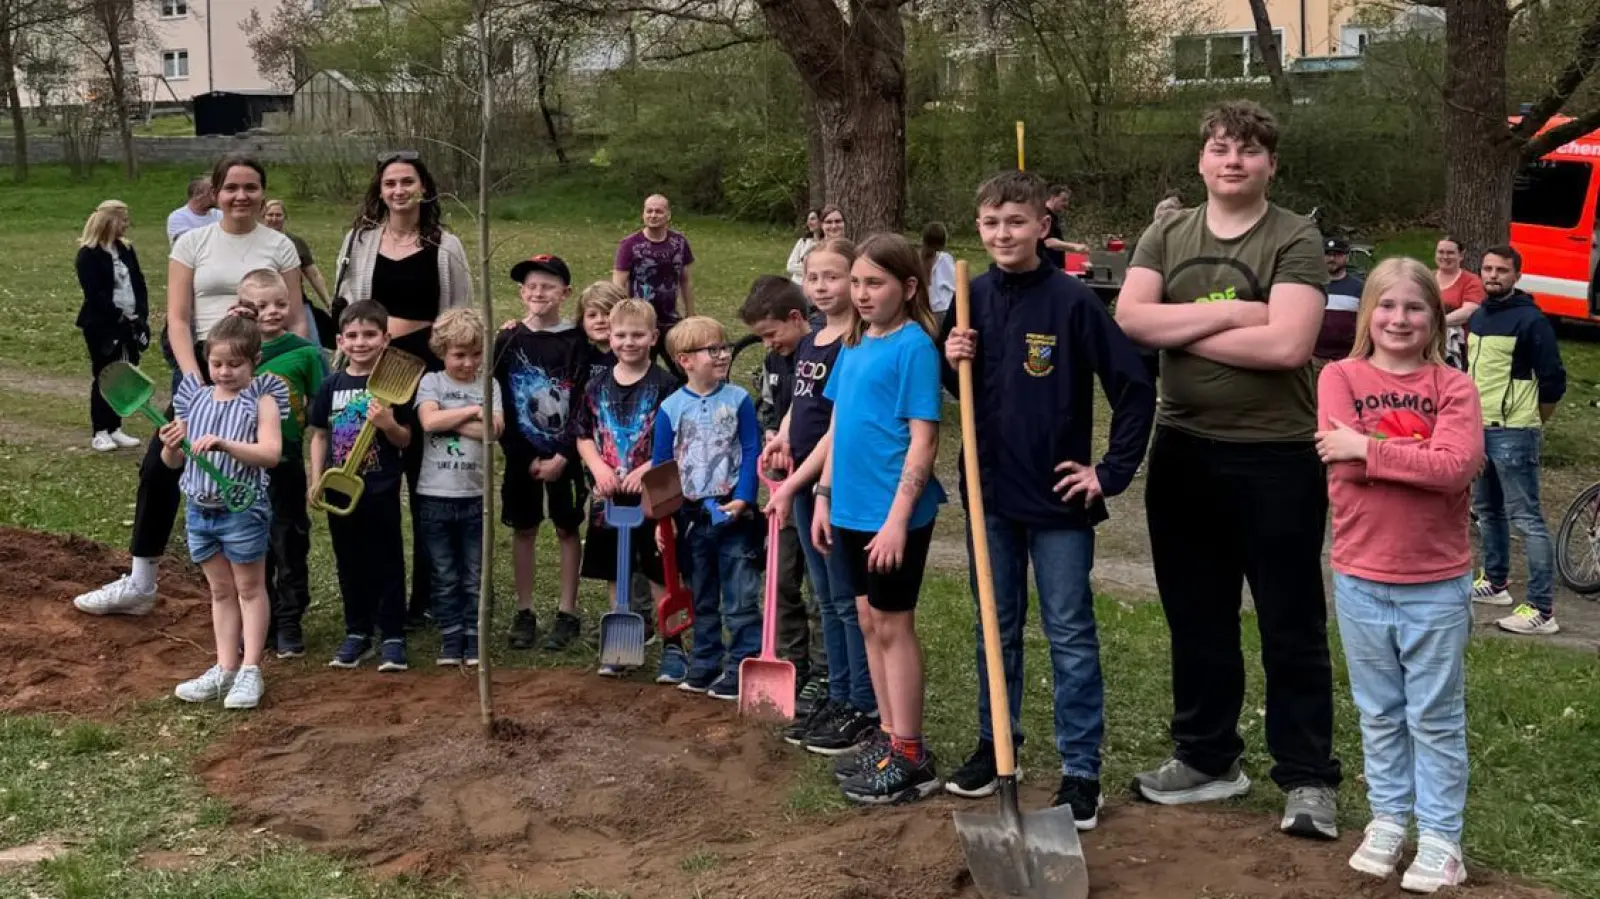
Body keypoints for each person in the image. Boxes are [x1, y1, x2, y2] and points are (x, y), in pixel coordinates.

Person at [1114, 101, 1343, 838]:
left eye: (1248, 150)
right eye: (1220, 148)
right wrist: (1241, 313)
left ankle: (1307, 777)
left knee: (1290, 620)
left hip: (1276, 455)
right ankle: (1209, 758)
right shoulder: (1167, 230)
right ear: (1202, 160)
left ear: (1270, 163)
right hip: (1182, 450)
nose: (1233, 160)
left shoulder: (1294, 237)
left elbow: (1288, 348)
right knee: (1197, 616)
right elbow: (1130, 321)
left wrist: (1182, 326)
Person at [941, 171, 1156, 830]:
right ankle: (995, 745)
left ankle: (1080, 771)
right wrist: (951, 358)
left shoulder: (1072, 302)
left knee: (1068, 631)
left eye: (1015, 221)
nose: (1002, 234)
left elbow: (1134, 387)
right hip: (989, 492)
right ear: (979, 229)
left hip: (1059, 498)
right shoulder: (969, 298)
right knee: (994, 627)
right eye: (990, 223)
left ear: (1042, 225)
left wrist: (1108, 472)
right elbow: (956, 391)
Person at [73, 156, 304, 618]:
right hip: (201, 367)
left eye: (251, 187)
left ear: (263, 192)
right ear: (215, 193)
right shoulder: (193, 242)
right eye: (231, 187)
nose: (241, 196)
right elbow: (177, 318)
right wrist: (191, 375)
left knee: (266, 475)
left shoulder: (280, 246)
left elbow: (294, 317)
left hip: (259, 368)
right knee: (163, 464)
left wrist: (271, 372)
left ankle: (275, 605)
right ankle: (140, 582)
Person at [1316, 257, 1483, 894]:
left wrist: (1370, 447)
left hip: (1435, 581)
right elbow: (1341, 464)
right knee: (1379, 711)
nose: (1399, 318)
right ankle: (1389, 818)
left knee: (1434, 716)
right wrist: (1409, 455)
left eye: (1415, 308)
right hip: (1360, 575)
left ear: (1434, 318)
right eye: (1387, 306)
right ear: (1367, 315)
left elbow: (1457, 468)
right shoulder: (1340, 375)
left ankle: (1442, 838)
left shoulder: (1453, 387)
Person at [813, 233, 946, 805]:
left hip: (894, 516)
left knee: (893, 627)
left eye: (876, 284)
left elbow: (924, 440)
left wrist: (897, 519)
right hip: (848, 507)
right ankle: (890, 739)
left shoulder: (915, 347)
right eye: (858, 283)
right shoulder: (856, 340)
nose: (862, 294)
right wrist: (822, 494)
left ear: (908, 287)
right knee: (869, 623)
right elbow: (840, 423)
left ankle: (912, 755)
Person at [333, 152, 473, 627]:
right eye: (390, 183)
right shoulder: (360, 241)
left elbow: (459, 315)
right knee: (376, 483)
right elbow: (347, 307)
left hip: (424, 372)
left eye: (407, 182)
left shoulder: (446, 245)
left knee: (424, 484)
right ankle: (378, 594)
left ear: (423, 188)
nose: (398, 190)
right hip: (372, 370)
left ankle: (428, 597)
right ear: (380, 190)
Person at [765, 238, 877, 755]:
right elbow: (800, 404)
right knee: (827, 599)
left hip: (833, 484)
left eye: (834, 277)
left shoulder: (853, 343)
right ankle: (838, 693)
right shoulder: (812, 339)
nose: (823, 287)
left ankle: (863, 701)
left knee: (847, 601)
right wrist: (784, 434)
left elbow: (837, 425)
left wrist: (801, 483)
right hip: (806, 483)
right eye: (814, 279)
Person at [165, 312, 288, 710]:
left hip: (243, 509)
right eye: (216, 364)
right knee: (220, 591)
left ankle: (251, 669)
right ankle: (225, 668)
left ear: (254, 361)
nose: (224, 372)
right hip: (200, 511)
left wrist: (225, 445)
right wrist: (170, 444)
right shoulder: (195, 399)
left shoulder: (262, 401)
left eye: (234, 364)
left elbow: (270, 455)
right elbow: (173, 463)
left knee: (249, 590)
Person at [652, 315, 762, 700]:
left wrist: (745, 497)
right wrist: (663, 520)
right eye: (711, 349)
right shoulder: (670, 408)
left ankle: (742, 663)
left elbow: (751, 450)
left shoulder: (739, 401)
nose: (722, 355)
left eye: (724, 347)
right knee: (701, 593)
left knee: (740, 594)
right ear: (685, 360)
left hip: (734, 513)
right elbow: (662, 467)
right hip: (691, 518)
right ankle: (705, 660)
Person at [575, 299, 684, 679]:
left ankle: (673, 645)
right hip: (609, 497)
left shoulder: (667, 386)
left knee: (658, 569)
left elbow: (678, 441)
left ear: (654, 337)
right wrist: (598, 467)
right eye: (621, 335)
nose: (629, 342)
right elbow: (583, 435)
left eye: (638, 335)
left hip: (654, 495)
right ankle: (622, 646)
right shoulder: (595, 385)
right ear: (610, 336)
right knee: (614, 570)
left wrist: (647, 468)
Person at [495, 254, 595, 652]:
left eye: (548, 286)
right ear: (521, 293)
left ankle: (567, 611)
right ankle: (524, 610)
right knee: (524, 528)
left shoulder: (576, 342)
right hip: (523, 456)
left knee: (568, 528)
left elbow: (585, 402)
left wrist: (564, 456)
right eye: (531, 286)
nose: (539, 293)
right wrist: (524, 457)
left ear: (565, 293)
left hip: (564, 457)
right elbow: (498, 400)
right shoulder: (508, 340)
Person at [1465, 245, 1567, 636]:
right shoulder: (1478, 318)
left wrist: (1534, 421)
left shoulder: (1531, 321)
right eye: (1488, 269)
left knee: (1527, 519)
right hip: (1479, 428)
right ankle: (1495, 583)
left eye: (1502, 270)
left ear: (1516, 276)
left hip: (1514, 431)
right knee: (1487, 511)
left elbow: (1553, 379)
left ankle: (1542, 609)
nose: (1493, 275)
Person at [308, 301, 415, 671]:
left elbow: (405, 441)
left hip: (381, 488)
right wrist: (315, 479)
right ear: (339, 341)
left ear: (385, 339)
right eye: (352, 336)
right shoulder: (332, 385)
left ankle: (392, 635)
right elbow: (320, 435)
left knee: (386, 560)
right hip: (340, 490)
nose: (360, 342)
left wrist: (388, 423)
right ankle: (357, 631)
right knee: (349, 561)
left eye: (370, 334)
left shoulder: (393, 388)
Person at [739, 276, 828, 712]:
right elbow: (770, 406)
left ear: (796, 319)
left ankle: (827, 669)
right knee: (780, 576)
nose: (769, 344)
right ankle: (793, 660)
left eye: (771, 334)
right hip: (781, 483)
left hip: (819, 484)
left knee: (821, 586)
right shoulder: (776, 361)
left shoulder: (821, 357)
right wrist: (772, 431)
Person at [234, 270, 324, 661]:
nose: (271, 312)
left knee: (288, 541)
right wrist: (236, 327)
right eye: (260, 306)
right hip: (244, 467)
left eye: (280, 304)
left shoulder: (304, 352)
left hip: (285, 463)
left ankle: (290, 620)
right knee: (253, 545)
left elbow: (320, 410)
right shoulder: (238, 352)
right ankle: (260, 619)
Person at [415, 308, 503, 668]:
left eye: (476, 354)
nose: (468, 363)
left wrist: (450, 422)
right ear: (442, 352)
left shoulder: (490, 385)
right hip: (435, 495)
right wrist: (472, 412)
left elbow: (494, 432)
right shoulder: (432, 382)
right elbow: (428, 421)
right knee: (445, 573)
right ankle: (451, 635)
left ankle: (473, 635)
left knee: (473, 574)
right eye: (459, 355)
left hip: (475, 496)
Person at [75, 199, 149, 453]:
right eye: (124, 220)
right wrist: (118, 316)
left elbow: (138, 282)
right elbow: (94, 294)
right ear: (110, 221)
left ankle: (116, 426)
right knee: (105, 374)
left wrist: (140, 314)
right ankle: (100, 430)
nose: (127, 225)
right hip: (103, 325)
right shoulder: (89, 254)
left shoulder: (126, 250)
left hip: (130, 321)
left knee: (125, 373)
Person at [613, 194, 696, 338]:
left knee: (680, 359)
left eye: (659, 211)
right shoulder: (630, 244)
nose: (653, 215)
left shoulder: (679, 242)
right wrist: (623, 316)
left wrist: (690, 312)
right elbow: (618, 284)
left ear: (668, 215)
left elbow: (686, 280)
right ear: (643, 214)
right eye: (649, 211)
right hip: (640, 320)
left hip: (670, 319)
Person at [263, 199, 333, 349]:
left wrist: (328, 301)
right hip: (266, 306)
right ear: (263, 217)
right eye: (270, 215)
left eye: (278, 215)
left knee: (313, 348)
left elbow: (312, 274)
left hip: (298, 303)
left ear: (285, 217)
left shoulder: (296, 242)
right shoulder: (257, 243)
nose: (274, 219)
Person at [1313, 235, 1366, 374]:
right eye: (1328, 254)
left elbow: (1366, 322)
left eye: (1337, 254)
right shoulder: (1312, 286)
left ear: (1347, 257)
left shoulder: (1359, 288)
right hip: (1314, 358)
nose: (1332, 259)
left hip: (1348, 358)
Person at [1436, 237, 1485, 370]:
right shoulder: (1428, 278)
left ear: (1461, 255)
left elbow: (1469, 311)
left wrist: (1436, 323)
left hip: (1458, 347)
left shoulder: (1471, 281)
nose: (1445, 256)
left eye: (1450, 253)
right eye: (1441, 252)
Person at [1038, 185, 1090, 269]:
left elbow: (1056, 244)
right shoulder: (1045, 215)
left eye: (1067, 201)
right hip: (1045, 269)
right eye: (1063, 200)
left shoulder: (1053, 217)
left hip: (1053, 268)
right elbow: (1049, 242)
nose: (1066, 204)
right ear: (1053, 198)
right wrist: (1075, 247)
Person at [167, 177, 220, 246]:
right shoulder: (178, 217)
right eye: (212, 193)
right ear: (197, 195)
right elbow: (187, 245)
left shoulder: (219, 214)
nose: (217, 196)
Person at [920, 222, 957, 317]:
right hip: (943, 310)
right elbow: (955, 283)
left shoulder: (921, 258)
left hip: (926, 309)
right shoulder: (943, 258)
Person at [786, 209, 823, 284]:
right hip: (797, 285)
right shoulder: (802, 242)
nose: (809, 222)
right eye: (808, 220)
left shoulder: (827, 243)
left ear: (821, 220)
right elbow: (790, 266)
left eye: (813, 219)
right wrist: (812, 271)